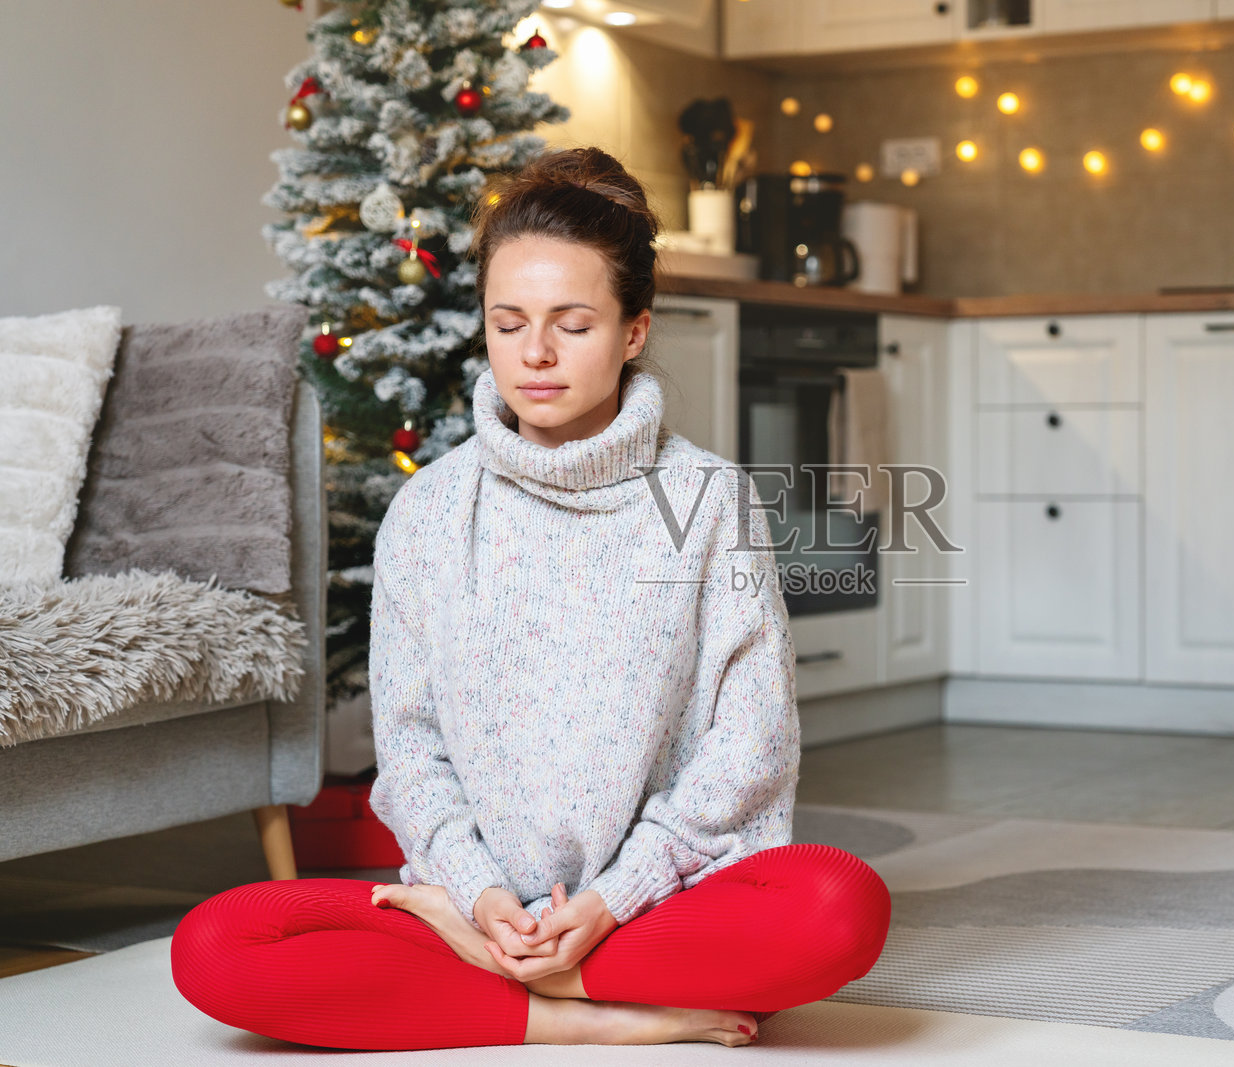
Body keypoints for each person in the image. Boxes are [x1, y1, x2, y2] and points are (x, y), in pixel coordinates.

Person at [169, 146, 893, 1051]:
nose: (535, 354)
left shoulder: (707, 500)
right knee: (217, 943)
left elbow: (751, 743)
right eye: (508, 323)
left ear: (634, 329)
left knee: (836, 905)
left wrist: (609, 900)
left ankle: (525, 988)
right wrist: (476, 893)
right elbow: (412, 749)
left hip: (652, 903)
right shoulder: (429, 511)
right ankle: (572, 1013)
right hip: (474, 912)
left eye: (572, 323)